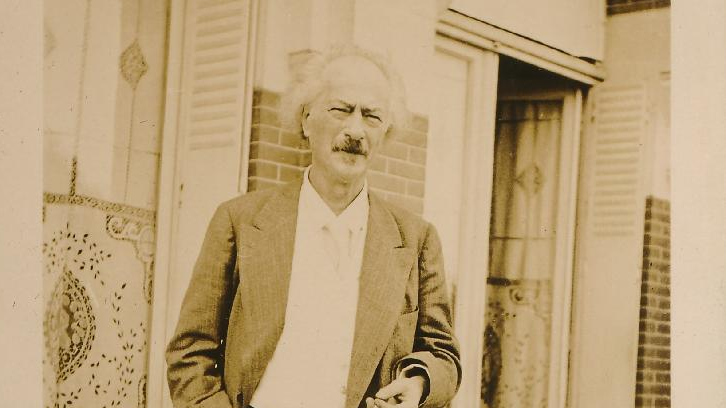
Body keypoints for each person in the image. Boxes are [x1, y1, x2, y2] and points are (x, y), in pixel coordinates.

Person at [165, 45, 461, 408]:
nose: (355, 130)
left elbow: (444, 357)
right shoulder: (239, 221)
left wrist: (419, 383)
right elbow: (190, 351)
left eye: (372, 116)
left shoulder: (416, 239)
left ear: (386, 132)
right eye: (340, 110)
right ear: (306, 120)